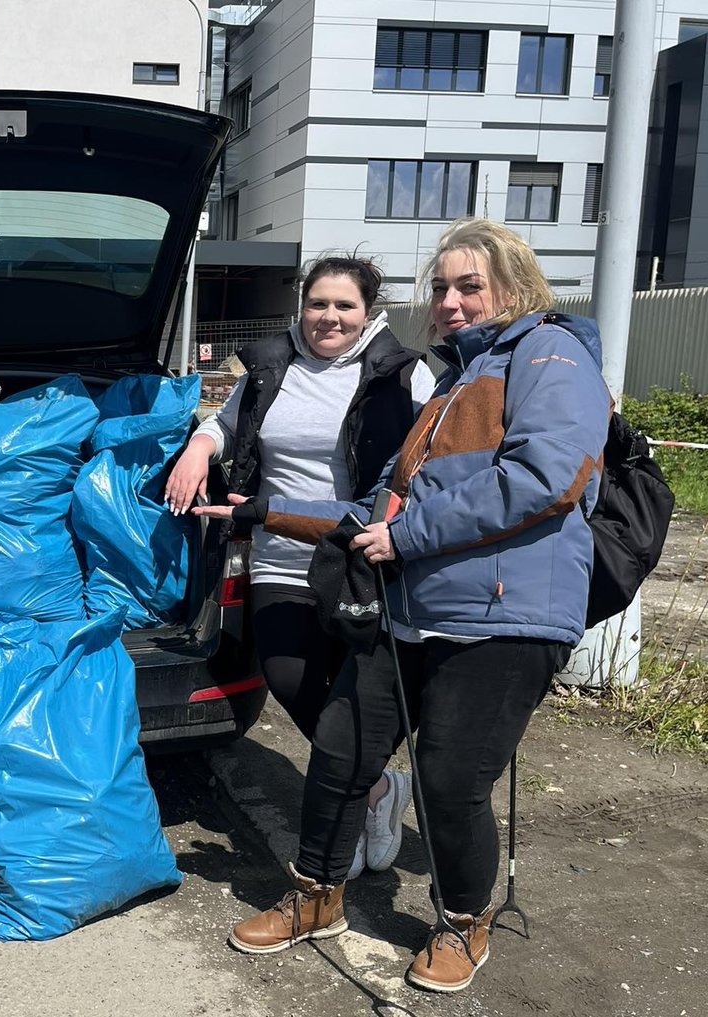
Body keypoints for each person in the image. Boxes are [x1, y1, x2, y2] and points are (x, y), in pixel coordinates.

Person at [196, 218, 611, 992]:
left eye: (469, 286)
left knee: (451, 779)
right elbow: (376, 503)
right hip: (413, 607)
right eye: (442, 288)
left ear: (515, 286)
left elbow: (542, 477)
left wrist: (409, 531)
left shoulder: (551, 354)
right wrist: (262, 513)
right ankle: (317, 895)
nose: (450, 302)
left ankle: (461, 921)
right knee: (344, 747)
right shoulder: (454, 381)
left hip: (505, 615)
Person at [166, 254, 435, 880]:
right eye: (318, 304)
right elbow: (226, 424)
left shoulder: (405, 374)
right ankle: (375, 791)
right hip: (279, 552)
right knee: (290, 677)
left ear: (370, 313)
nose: (329, 317)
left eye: (344, 305)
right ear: (301, 307)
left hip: (358, 556)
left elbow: (433, 450)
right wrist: (197, 450)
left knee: (352, 695)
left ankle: (355, 793)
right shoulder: (270, 365)